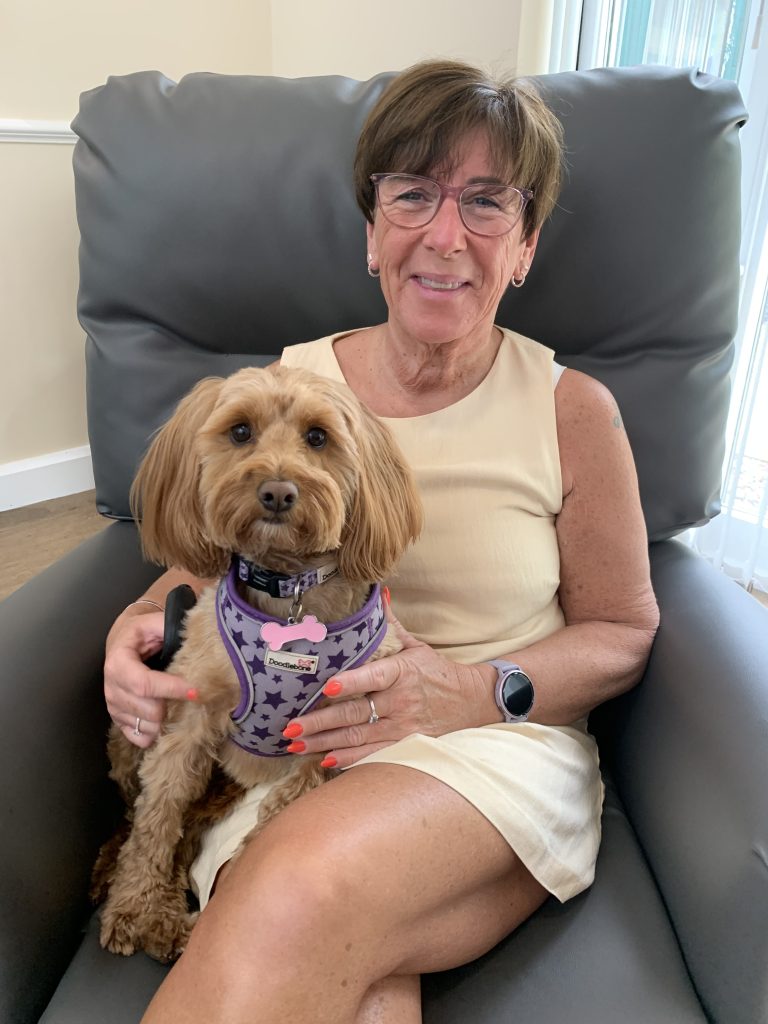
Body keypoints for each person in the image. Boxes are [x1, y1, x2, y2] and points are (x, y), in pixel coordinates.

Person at [104, 59, 659, 1024]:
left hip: (490, 743)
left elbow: (622, 631)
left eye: (488, 204)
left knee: (299, 896)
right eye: (414, 195)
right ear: (373, 231)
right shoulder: (292, 381)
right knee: (365, 994)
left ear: (524, 245)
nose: (445, 235)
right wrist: (134, 627)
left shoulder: (574, 409)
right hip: (289, 752)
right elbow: (207, 561)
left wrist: (470, 689)